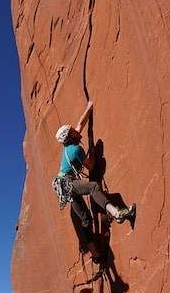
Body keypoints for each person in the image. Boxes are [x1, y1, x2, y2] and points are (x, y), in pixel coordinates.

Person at [55, 100, 136, 261]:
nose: (75, 130)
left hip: (63, 187)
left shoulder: (69, 145)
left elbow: (80, 124)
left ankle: (95, 254)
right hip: (68, 182)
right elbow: (91, 166)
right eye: (72, 130)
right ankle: (117, 213)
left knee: (86, 220)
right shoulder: (75, 150)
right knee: (92, 187)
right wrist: (92, 153)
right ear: (69, 137)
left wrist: (88, 107)